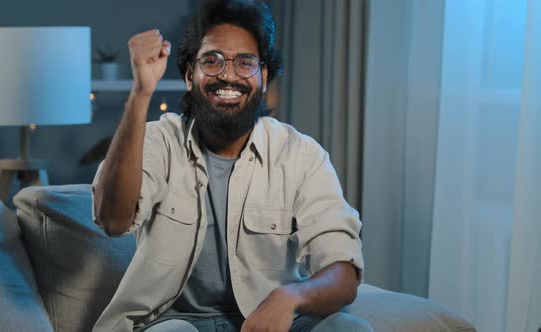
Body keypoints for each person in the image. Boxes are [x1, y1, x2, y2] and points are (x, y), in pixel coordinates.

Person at [91, 1, 370, 331]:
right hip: (176, 323)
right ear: (189, 76)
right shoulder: (158, 142)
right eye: (211, 61)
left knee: (349, 329)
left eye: (245, 63)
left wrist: (291, 296)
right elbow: (112, 220)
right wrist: (141, 91)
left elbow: (343, 271)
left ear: (263, 77)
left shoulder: (301, 155)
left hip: (267, 323)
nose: (227, 74)